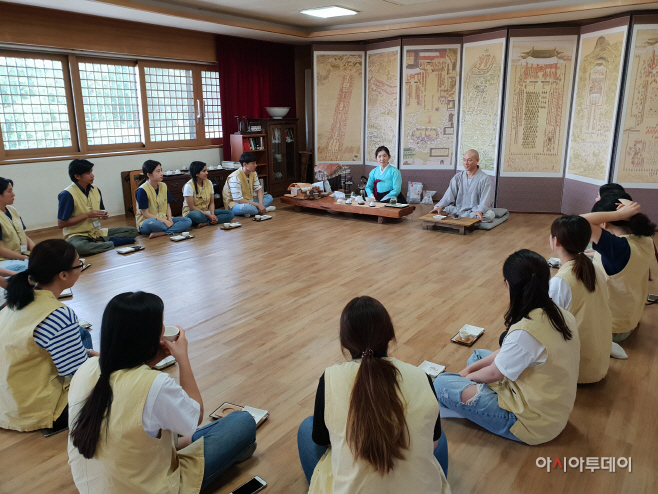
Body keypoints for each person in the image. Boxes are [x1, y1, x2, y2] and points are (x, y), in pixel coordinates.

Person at [68, 291, 257, 493]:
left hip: (93, 486)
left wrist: (149, 361)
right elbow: (196, 417)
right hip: (148, 487)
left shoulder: (87, 367)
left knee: (159, 429)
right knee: (241, 423)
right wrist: (183, 359)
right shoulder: (154, 384)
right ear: (151, 339)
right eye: (161, 326)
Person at [297, 296, 451, 493]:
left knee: (306, 428)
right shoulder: (422, 377)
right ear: (390, 336)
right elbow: (434, 442)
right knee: (439, 438)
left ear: (344, 342)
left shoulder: (329, 379)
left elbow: (323, 440)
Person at [434, 249, 580, 445]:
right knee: (477, 356)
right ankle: (470, 399)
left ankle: (468, 407)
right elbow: (504, 353)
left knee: (441, 382)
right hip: (551, 409)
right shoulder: (560, 314)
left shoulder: (525, 331)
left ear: (508, 285)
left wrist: (466, 378)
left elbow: (494, 374)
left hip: (532, 422)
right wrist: (469, 370)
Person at [0, 239, 94, 432]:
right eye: (79, 264)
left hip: (7, 399)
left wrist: (90, 353)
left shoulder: (15, 299)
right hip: (34, 408)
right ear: (64, 275)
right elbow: (79, 373)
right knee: (115, 382)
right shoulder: (59, 314)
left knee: (81, 334)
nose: (81, 268)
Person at [581, 195, 657, 347]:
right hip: (629, 319)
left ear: (603, 222)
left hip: (611, 329)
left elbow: (579, 222)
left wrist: (619, 214)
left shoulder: (618, 248)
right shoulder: (644, 239)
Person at [548, 216, 612, 383]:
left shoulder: (561, 282)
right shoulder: (595, 268)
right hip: (598, 363)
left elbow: (545, 327)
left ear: (556, 242)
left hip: (576, 370)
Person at [58, 159, 139, 256]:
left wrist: (103, 215)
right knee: (79, 248)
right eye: (88, 173)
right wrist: (87, 215)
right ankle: (113, 243)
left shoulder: (95, 189)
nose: (92, 175)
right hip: (77, 235)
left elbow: (100, 210)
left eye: (91, 172)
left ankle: (100, 243)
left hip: (96, 232)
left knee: (132, 231)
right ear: (77, 176)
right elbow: (62, 224)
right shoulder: (67, 194)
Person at [430, 149, 495, 222]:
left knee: (489, 215)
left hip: (474, 210)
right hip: (458, 208)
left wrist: (480, 211)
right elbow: (448, 196)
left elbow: (486, 200)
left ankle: (458, 216)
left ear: (477, 160)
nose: (466, 163)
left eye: (469, 160)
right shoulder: (457, 177)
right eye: (464, 160)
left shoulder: (485, 179)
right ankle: (464, 216)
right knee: (438, 208)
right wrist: (440, 206)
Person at [135, 160, 193, 238]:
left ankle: (163, 232)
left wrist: (169, 219)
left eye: (161, 170)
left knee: (188, 221)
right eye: (158, 171)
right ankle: (171, 230)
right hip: (148, 222)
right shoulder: (142, 190)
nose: (161, 173)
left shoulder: (163, 186)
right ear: (149, 174)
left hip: (164, 219)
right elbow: (146, 214)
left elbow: (167, 205)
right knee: (154, 224)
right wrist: (165, 221)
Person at [182, 161, 234, 228]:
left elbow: (212, 202)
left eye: (206, 170)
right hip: (193, 213)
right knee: (197, 216)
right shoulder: (188, 186)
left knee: (230, 214)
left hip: (206, 212)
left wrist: (212, 215)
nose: (207, 173)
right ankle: (208, 220)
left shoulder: (209, 182)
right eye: (204, 171)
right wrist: (209, 216)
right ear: (196, 173)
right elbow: (192, 207)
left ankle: (207, 223)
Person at [222, 152, 275, 217]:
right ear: (245, 164)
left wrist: (260, 204)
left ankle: (255, 211)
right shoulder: (234, 178)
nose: (256, 165)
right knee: (247, 208)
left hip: (250, 200)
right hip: (235, 204)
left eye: (255, 163)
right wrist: (258, 205)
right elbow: (239, 200)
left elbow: (258, 189)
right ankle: (264, 210)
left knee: (269, 197)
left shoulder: (253, 173)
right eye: (253, 163)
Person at [0, 177, 35, 274]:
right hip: (4, 260)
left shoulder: (12, 210)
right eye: (9, 191)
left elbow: (23, 235)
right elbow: (1, 250)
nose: (13, 194)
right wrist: (23, 257)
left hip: (21, 256)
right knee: (27, 267)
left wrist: (35, 250)